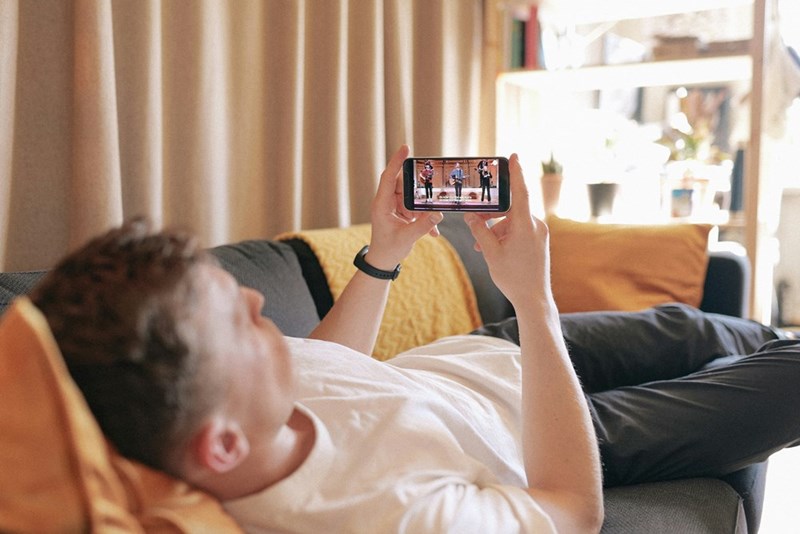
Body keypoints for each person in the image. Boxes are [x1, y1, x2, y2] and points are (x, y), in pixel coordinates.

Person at [29, 145, 800, 534]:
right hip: (548, 427)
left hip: (486, 351)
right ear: (221, 449)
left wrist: (385, 250)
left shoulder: (229, 400)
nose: (262, 303)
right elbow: (569, 508)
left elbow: (327, 361)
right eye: (241, 321)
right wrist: (533, 296)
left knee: (708, 327)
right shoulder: (390, 517)